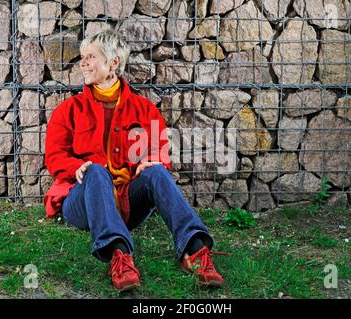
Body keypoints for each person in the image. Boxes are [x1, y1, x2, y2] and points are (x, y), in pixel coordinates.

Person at [44, 27, 226, 292]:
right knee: (96, 171)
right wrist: (77, 166)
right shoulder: (69, 110)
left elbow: (160, 151)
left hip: (128, 202)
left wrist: (150, 160)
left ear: (113, 63)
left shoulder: (144, 109)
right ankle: (119, 255)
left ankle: (195, 250)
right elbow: (55, 156)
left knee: (157, 173)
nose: (82, 63)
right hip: (82, 202)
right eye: (83, 57)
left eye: (90, 57)